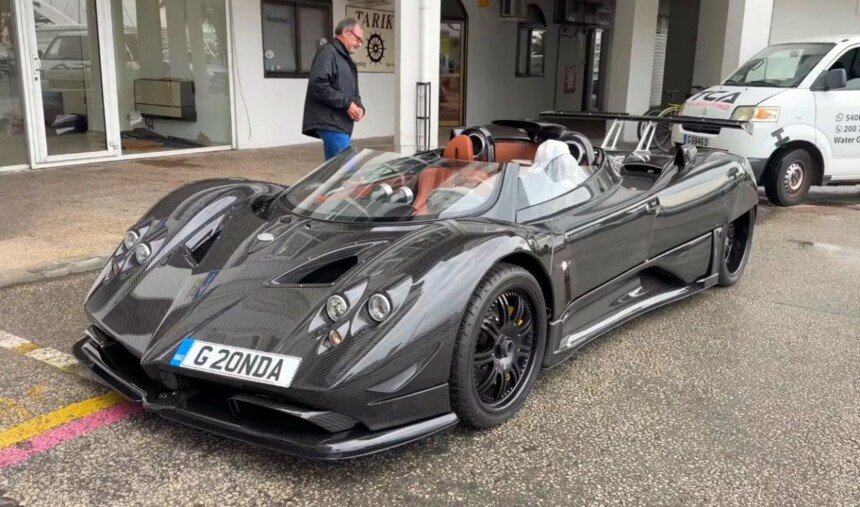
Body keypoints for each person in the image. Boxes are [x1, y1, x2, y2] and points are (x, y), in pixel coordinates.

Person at [302, 18, 366, 160]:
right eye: (358, 39)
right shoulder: (328, 52)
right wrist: (347, 104)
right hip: (331, 123)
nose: (359, 44)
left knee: (334, 174)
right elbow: (318, 85)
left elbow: (353, 92)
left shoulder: (346, 60)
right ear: (345, 32)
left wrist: (359, 107)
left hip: (340, 123)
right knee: (346, 171)